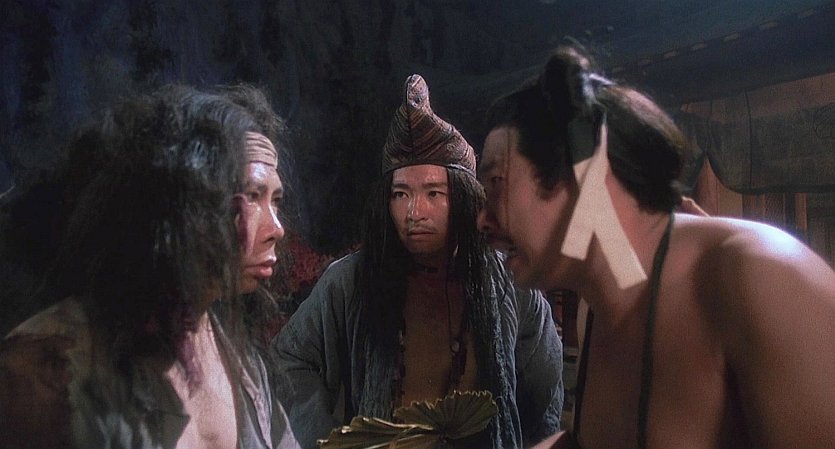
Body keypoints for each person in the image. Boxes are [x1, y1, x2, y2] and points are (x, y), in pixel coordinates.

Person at [476, 43, 835, 449]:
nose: (482, 220)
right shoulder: (598, 306)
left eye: (497, 182)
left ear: (584, 174)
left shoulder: (758, 279)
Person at [0, 85, 300, 449]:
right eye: (252, 196)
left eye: (275, 200)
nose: (276, 229)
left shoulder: (237, 355)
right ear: (184, 205)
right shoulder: (45, 369)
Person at [273, 74, 564, 449]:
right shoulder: (351, 281)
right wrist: (330, 440)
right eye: (400, 194)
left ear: (463, 199)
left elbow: (545, 396)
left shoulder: (510, 283)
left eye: (433, 193)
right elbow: (288, 361)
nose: (414, 212)